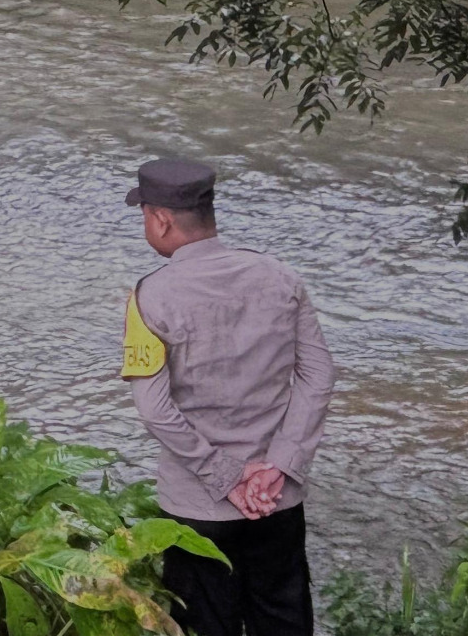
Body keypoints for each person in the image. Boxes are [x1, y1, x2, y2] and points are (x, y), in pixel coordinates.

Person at [121, 157, 335, 636]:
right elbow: (318, 376)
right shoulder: (281, 276)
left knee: (204, 625)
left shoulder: (150, 297)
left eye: (144, 216)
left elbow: (154, 409)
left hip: (198, 507)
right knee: (283, 619)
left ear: (161, 220)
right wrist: (278, 463)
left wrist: (226, 477)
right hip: (277, 497)